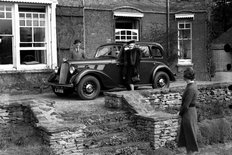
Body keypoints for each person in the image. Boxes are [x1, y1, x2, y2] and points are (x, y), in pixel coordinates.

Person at [178, 67, 199, 155]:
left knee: (190, 137)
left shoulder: (191, 88)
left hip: (189, 114)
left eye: (184, 76)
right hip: (190, 113)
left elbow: (186, 105)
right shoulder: (191, 85)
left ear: (186, 77)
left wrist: (179, 114)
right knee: (188, 137)